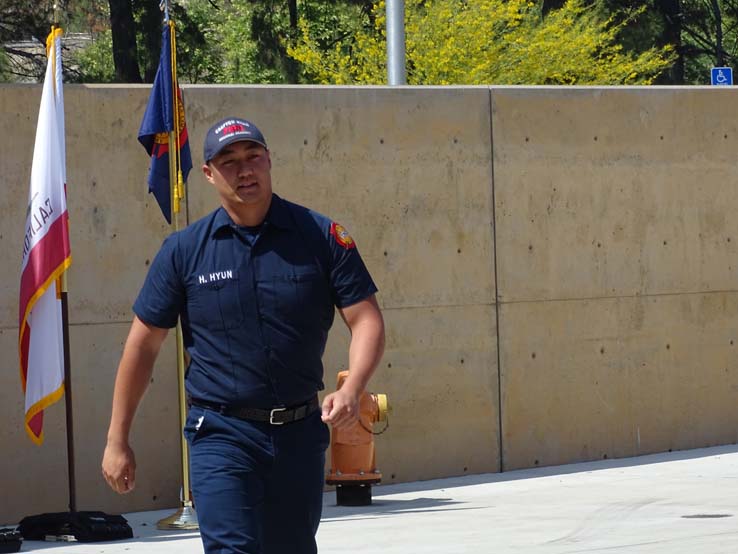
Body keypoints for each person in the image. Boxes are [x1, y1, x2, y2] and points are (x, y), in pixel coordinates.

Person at [101, 116, 385, 554]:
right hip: (221, 433)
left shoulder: (322, 236)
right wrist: (117, 439)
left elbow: (366, 319)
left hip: (299, 433)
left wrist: (354, 389)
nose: (245, 169)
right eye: (229, 161)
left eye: (253, 156)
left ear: (269, 159)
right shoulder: (184, 250)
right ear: (210, 173)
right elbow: (142, 346)